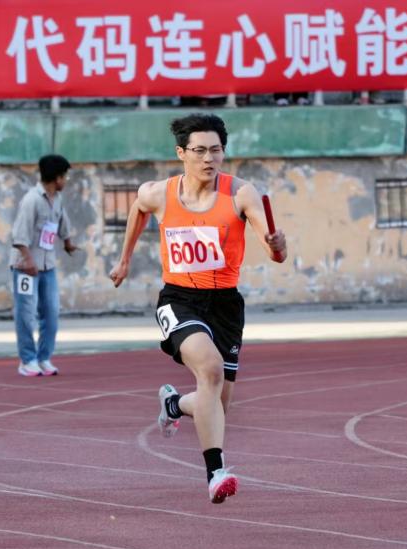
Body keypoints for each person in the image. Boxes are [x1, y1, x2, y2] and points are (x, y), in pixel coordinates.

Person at [109, 113, 288, 504]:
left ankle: (175, 404)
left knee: (217, 403)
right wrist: (124, 260)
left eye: (216, 150)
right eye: (200, 151)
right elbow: (138, 209)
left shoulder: (241, 194)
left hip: (225, 304)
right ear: (181, 153)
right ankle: (216, 473)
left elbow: (273, 250)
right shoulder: (160, 193)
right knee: (210, 370)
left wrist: (278, 246)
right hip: (180, 299)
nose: (209, 159)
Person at [9, 154, 79, 377]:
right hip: (25, 267)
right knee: (26, 314)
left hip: (47, 266)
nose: (66, 180)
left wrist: (67, 243)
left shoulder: (57, 199)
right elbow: (19, 236)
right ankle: (27, 360)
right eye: (64, 176)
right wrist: (28, 261)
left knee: (51, 312)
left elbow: (61, 223)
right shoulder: (31, 200)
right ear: (56, 177)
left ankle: (43, 357)